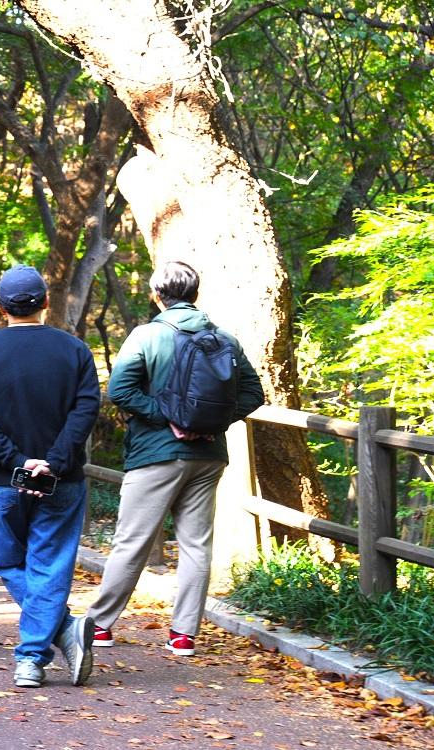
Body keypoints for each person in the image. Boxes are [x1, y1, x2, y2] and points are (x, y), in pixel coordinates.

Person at [86, 261, 264, 656]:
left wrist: (169, 419)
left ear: (157, 295)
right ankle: (184, 635)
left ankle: (99, 625)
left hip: (156, 454)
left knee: (131, 541)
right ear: (195, 294)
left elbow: (120, 390)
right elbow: (253, 393)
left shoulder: (147, 335)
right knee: (197, 544)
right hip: (209, 456)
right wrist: (210, 424)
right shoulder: (224, 340)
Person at [0, 265, 101, 689]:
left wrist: (19, 460)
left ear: (0, 306)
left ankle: (31, 657)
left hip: (4, 480)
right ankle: (59, 632)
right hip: (62, 479)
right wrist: (52, 460)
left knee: (5, 561)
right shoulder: (74, 351)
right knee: (50, 563)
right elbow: (85, 411)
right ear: (46, 303)